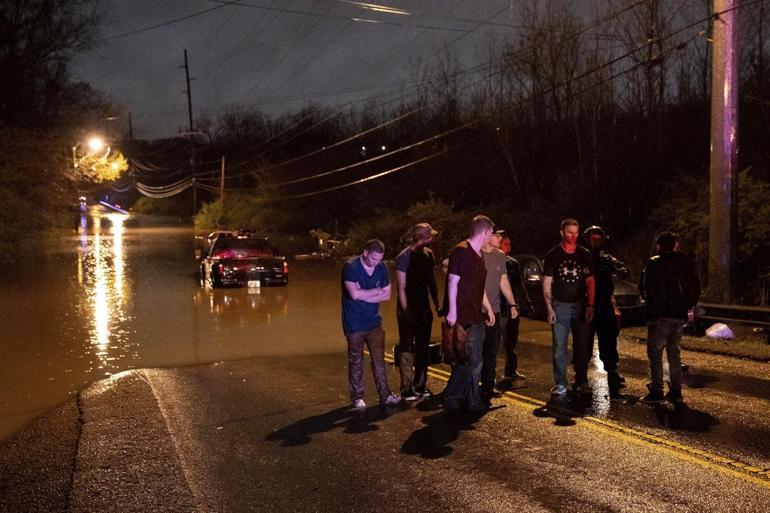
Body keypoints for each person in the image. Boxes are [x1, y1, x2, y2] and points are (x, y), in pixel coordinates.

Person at [638, 232, 701, 404]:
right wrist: (688, 306)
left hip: (660, 314)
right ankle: (675, 391)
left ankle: (657, 390)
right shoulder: (684, 262)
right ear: (675, 245)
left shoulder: (654, 263)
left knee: (655, 352)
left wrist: (650, 309)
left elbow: (647, 288)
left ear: (659, 245)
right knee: (674, 353)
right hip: (679, 315)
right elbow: (695, 286)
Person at [442, 215, 496, 412]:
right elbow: (452, 281)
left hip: (476, 315)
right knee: (468, 360)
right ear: (486, 232)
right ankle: (453, 396)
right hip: (463, 316)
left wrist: (488, 308)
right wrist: (453, 311)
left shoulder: (479, 255)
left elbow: (478, 287)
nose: (492, 237)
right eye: (492, 233)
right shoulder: (462, 251)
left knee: (475, 360)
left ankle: (468, 399)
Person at [341, 239, 400, 408]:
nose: (376, 263)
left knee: (379, 359)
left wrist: (364, 293)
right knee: (356, 360)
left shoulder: (381, 268)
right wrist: (375, 291)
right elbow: (354, 294)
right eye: (373, 259)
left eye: (379, 259)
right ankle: (357, 396)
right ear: (365, 253)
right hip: (354, 322)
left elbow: (387, 295)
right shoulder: (351, 267)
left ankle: (386, 395)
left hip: (374, 321)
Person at [542, 218, 595, 397]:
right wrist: (549, 308)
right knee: (559, 346)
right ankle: (560, 383)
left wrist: (590, 304)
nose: (573, 236)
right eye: (569, 232)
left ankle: (582, 381)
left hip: (580, 304)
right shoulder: (553, 255)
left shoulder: (584, 254)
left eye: (576, 232)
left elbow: (590, 281)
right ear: (562, 232)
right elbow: (547, 283)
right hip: (560, 305)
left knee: (582, 347)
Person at [395, 223, 441, 401]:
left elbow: (431, 281)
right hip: (408, 308)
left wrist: (437, 305)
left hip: (423, 308)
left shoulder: (428, 254)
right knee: (407, 348)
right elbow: (401, 286)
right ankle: (406, 388)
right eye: (430, 236)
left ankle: (420, 385)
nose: (432, 239)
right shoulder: (404, 256)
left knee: (423, 347)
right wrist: (405, 311)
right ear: (423, 237)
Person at [583, 225, 628, 389]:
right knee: (583, 341)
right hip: (586, 305)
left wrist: (621, 270)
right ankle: (580, 374)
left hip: (604, 304)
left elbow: (622, 268)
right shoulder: (581, 257)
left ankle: (612, 371)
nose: (595, 242)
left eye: (598, 239)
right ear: (587, 240)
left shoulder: (606, 258)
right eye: (592, 239)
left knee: (608, 340)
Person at [479, 230, 519, 403]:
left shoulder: (500, 255)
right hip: (475, 310)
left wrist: (512, 303)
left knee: (491, 350)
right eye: (497, 235)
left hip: (494, 309)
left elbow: (503, 281)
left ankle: (488, 385)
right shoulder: (475, 253)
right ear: (487, 235)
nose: (501, 238)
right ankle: (471, 386)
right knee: (474, 351)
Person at [496, 234, 534, 390]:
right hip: (497, 308)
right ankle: (488, 375)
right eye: (506, 243)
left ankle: (510, 371)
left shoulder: (513, 263)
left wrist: (527, 303)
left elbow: (519, 285)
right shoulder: (492, 261)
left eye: (509, 243)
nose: (509, 246)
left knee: (511, 342)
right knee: (493, 342)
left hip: (512, 308)